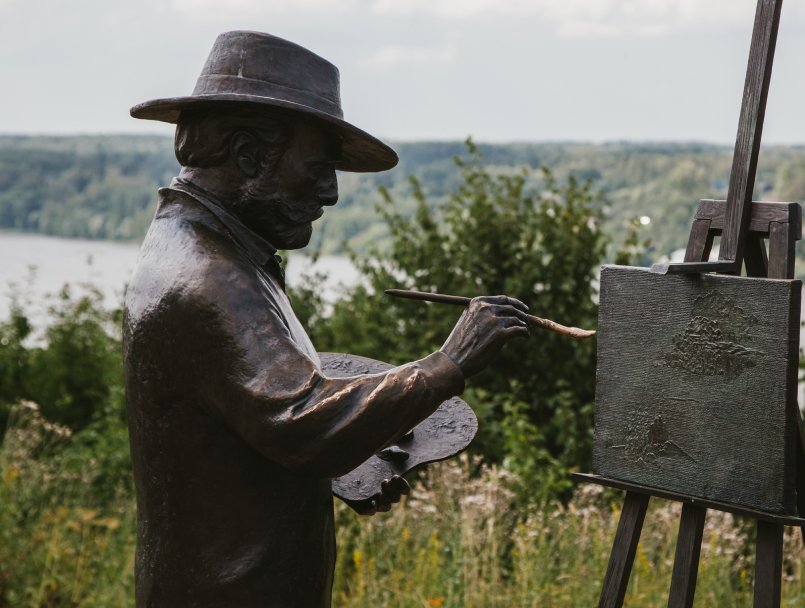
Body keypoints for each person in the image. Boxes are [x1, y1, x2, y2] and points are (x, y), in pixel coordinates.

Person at [124, 31, 529, 606]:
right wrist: (447, 364)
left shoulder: (215, 249)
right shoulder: (209, 277)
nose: (331, 193)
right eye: (316, 168)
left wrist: (342, 467)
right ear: (248, 154)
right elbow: (303, 423)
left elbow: (255, 413)